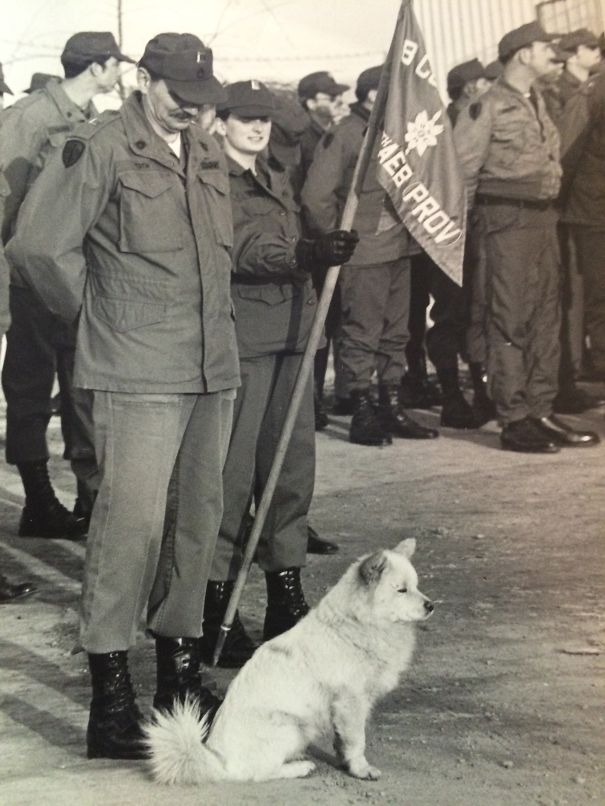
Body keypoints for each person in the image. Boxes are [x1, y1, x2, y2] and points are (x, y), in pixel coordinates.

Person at [7, 32, 239, 760]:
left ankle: (179, 679)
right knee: (127, 530)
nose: (187, 112)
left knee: (196, 522)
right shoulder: (102, 145)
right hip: (136, 368)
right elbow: (39, 246)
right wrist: (98, 320)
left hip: (210, 367)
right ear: (143, 80)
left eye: (201, 101)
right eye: (176, 97)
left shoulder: (204, 151)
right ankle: (111, 700)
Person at [199, 81, 358, 668]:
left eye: (264, 119)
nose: (258, 128)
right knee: (231, 480)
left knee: (290, 477)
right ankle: (214, 610)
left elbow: (288, 237)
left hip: (295, 334)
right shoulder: (211, 174)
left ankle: (284, 603)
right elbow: (241, 248)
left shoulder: (275, 173)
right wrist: (304, 256)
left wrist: (319, 248)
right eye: (246, 119)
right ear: (221, 121)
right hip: (245, 344)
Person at [0, 32, 134, 539]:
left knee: (84, 390)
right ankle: (38, 502)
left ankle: (90, 500)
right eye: (116, 62)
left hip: (74, 277)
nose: (119, 69)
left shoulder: (92, 120)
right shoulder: (30, 116)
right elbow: (4, 200)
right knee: (31, 391)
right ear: (99, 67)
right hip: (30, 279)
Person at [454, 21, 599, 452]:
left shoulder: (537, 99)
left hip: (541, 220)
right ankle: (514, 417)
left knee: (544, 318)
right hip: (505, 221)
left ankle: (539, 409)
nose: (551, 55)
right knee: (509, 319)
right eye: (543, 49)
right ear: (522, 54)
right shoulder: (488, 106)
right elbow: (462, 172)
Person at [302, 65, 439, 446]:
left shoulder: (399, 133)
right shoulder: (346, 133)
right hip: (365, 252)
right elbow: (316, 197)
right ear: (371, 95)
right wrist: (337, 241)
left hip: (399, 248)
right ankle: (360, 407)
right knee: (362, 332)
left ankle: (390, 403)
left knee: (396, 332)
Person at [446, 58, 490, 127]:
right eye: (484, 83)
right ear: (469, 90)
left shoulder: (477, 114)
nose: (490, 86)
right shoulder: (449, 126)